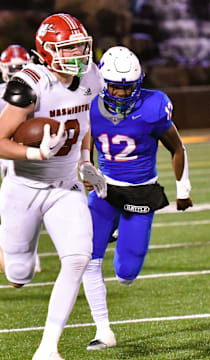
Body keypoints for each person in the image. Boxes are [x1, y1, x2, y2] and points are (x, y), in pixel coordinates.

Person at [0, 13, 103, 360]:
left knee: (77, 258)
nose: (78, 54)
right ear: (46, 51)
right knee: (19, 275)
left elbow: (84, 121)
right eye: (68, 47)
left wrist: (85, 160)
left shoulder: (90, 76)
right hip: (24, 188)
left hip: (65, 186)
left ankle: (48, 348)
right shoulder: (29, 84)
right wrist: (35, 151)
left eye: (81, 45)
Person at [82, 46, 193, 350]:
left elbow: (178, 146)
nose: (120, 93)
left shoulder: (154, 106)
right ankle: (103, 330)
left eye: (127, 87)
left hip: (141, 190)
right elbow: (87, 138)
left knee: (126, 273)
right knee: (85, 259)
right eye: (115, 85)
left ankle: (122, 233)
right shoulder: (90, 104)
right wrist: (86, 169)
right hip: (106, 190)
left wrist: (184, 190)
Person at [0, 44, 42, 273]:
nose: (16, 72)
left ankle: (25, 253)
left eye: (21, 67)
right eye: (13, 68)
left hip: (29, 150)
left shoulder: (37, 90)